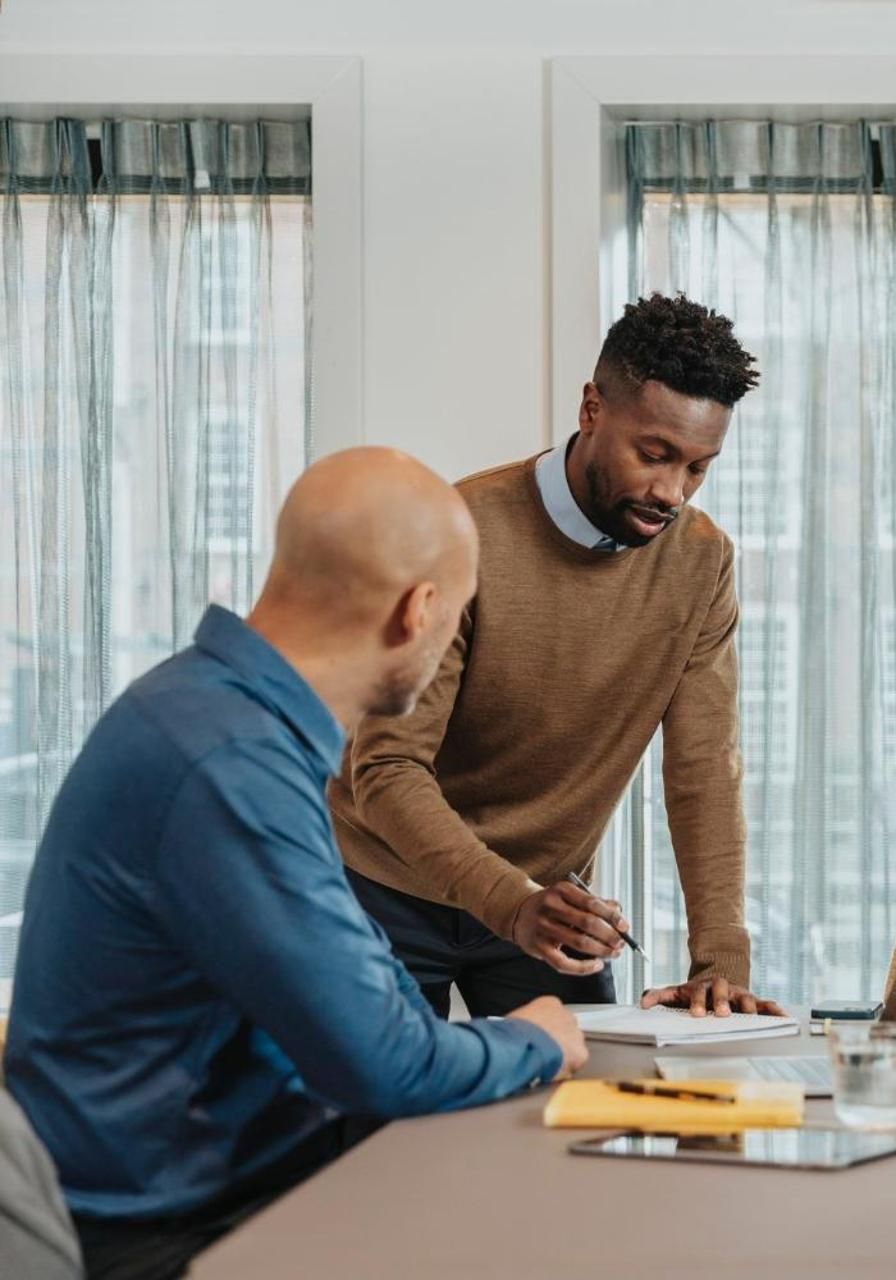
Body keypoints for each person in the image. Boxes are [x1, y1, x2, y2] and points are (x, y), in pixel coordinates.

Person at [3, 449, 588, 1279]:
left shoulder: (213, 715)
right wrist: (532, 1037)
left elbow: (365, 995)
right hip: (166, 1228)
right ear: (418, 612)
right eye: (458, 617)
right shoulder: (228, 764)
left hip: (211, 1180)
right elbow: (383, 1061)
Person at [329, 293, 779, 1018]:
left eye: (699, 467)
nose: (672, 492)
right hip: (383, 885)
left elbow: (704, 770)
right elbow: (384, 769)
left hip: (539, 901)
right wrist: (513, 903)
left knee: (578, 1109)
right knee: (382, 1124)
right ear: (592, 409)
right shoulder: (460, 531)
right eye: (655, 455)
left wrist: (719, 960)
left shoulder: (701, 563)